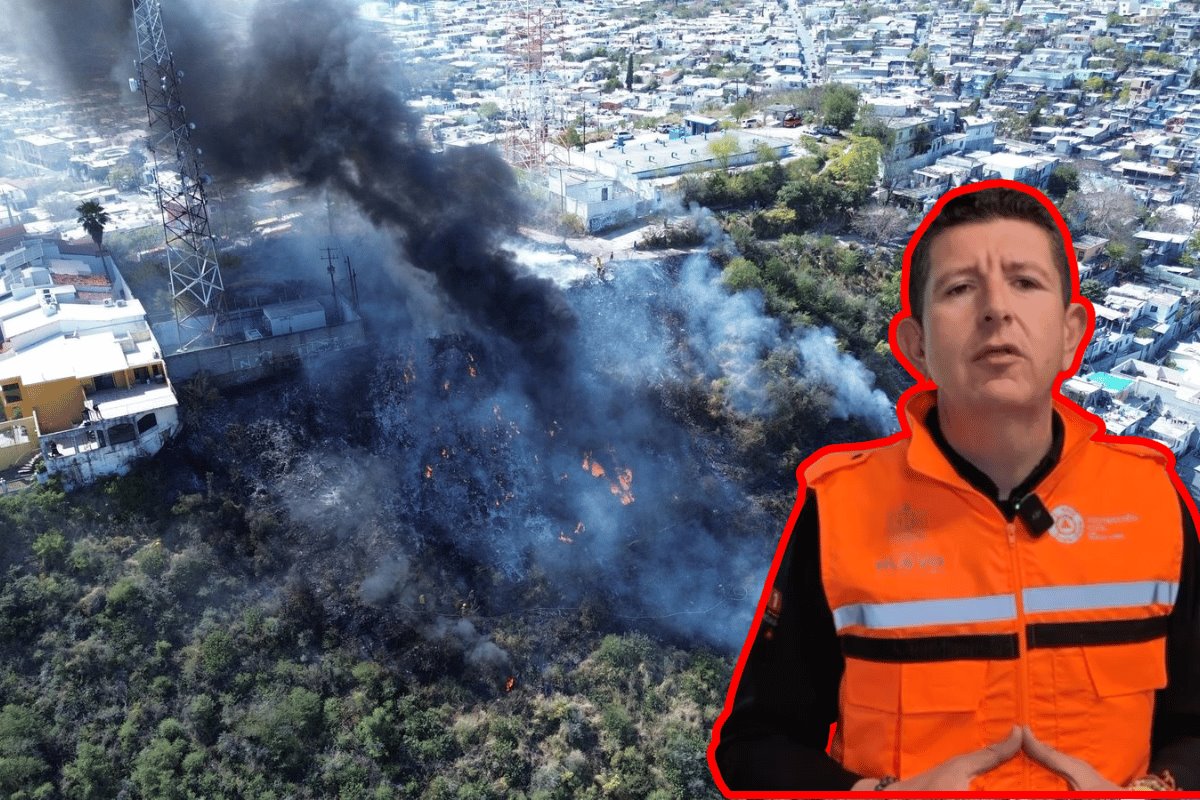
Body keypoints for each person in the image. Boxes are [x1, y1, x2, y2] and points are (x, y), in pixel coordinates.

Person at [708, 181, 1200, 793]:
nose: (997, 309)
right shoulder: (841, 511)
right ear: (915, 345)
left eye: (1025, 282)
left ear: (1073, 333)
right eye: (961, 288)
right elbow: (757, 744)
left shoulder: (1150, 502)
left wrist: (1161, 788)